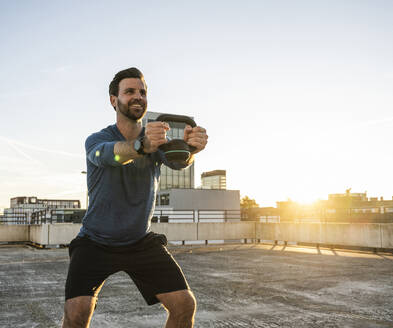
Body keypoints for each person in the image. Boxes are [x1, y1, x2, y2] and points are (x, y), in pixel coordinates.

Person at [62, 67, 208, 328]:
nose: (137, 96)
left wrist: (191, 148)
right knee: (76, 313)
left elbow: (178, 163)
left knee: (185, 305)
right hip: (95, 242)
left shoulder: (156, 142)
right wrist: (143, 146)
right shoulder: (97, 140)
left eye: (142, 92)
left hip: (140, 241)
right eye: (129, 92)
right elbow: (114, 154)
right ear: (113, 100)